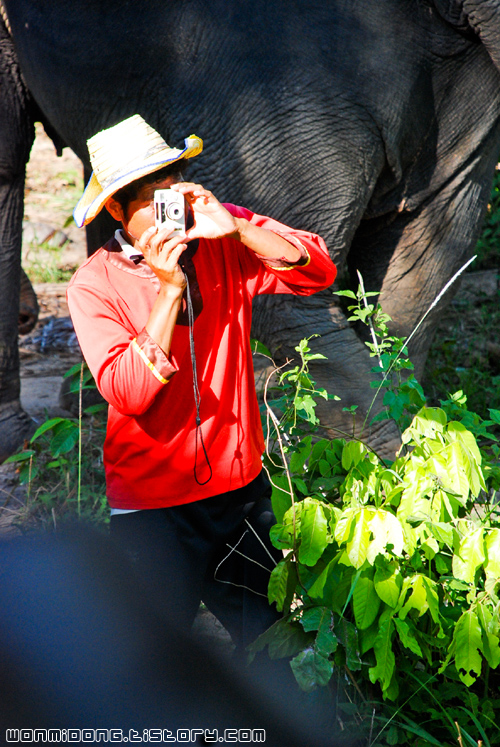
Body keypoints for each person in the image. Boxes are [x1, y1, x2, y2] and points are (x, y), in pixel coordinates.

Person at [68, 114, 337, 655]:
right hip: (153, 508)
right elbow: (128, 393)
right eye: (151, 199)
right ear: (117, 209)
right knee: (147, 666)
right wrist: (168, 293)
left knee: (276, 651)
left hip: (239, 494)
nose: (171, 207)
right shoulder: (94, 283)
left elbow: (318, 270)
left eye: (176, 187)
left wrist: (238, 228)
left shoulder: (220, 236)